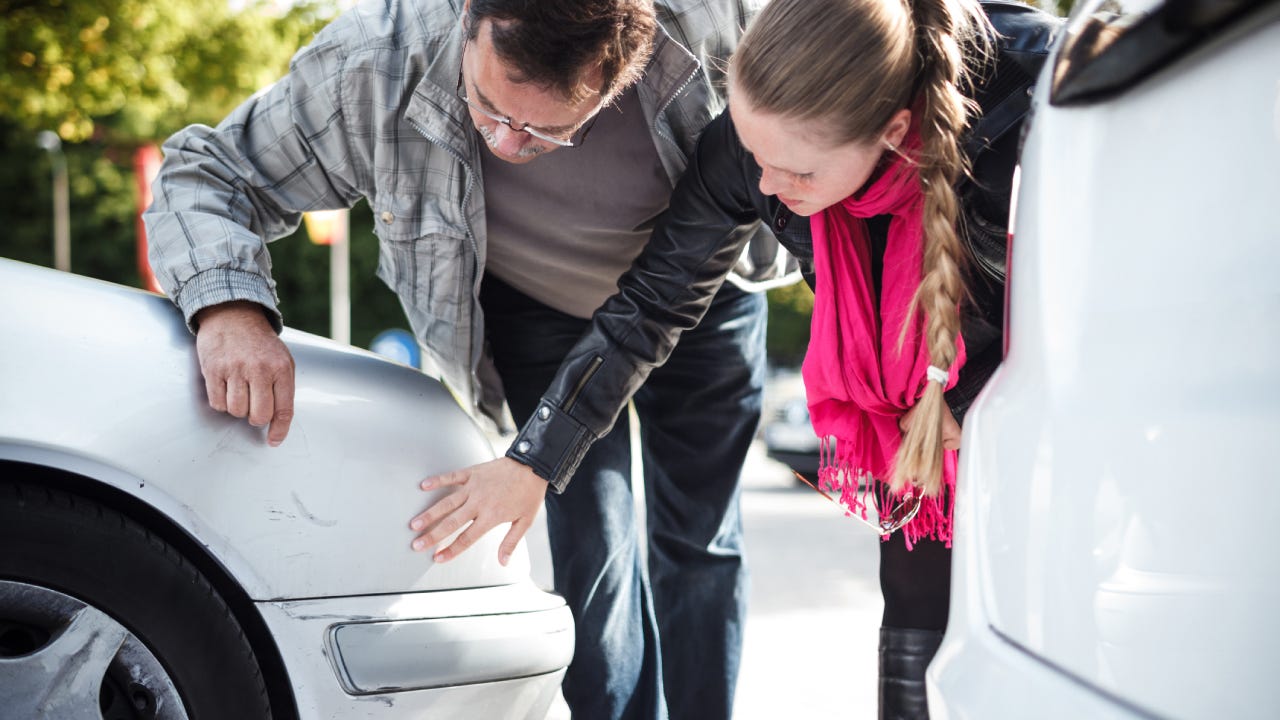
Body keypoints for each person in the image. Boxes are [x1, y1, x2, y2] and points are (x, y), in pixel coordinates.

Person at [144, 1, 795, 719]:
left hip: (702, 299)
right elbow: (203, 172)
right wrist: (229, 309)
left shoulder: (719, 31)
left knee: (700, 542)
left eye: (547, 130)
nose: (508, 144)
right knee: (593, 552)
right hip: (538, 312)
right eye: (487, 106)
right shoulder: (377, 59)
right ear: (469, 22)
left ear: (618, 71)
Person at [412, 0, 1059, 717]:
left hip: (1052, 414)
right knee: (913, 593)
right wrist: (534, 458)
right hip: (921, 429)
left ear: (894, 134)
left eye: (797, 174)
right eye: (758, 159)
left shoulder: (1038, 111)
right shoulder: (753, 154)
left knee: (1044, 619)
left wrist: (975, 408)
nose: (770, 190)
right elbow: (652, 304)